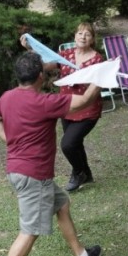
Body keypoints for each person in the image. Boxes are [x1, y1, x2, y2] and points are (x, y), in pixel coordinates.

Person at [0, 52, 104, 256]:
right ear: (40, 76)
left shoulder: (8, 97)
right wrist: (100, 77)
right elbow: (83, 102)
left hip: (22, 172)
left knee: (61, 204)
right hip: (34, 177)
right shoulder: (44, 102)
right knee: (30, 231)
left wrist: (11, 141)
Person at [20, 23, 104, 192]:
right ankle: (86, 173)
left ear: (92, 39)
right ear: (75, 37)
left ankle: (78, 172)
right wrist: (30, 49)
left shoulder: (97, 59)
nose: (83, 37)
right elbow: (43, 65)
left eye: (87, 34)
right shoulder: (65, 55)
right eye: (80, 33)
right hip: (66, 107)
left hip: (88, 108)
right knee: (75, 143)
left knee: (68, 144)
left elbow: (100, 83)